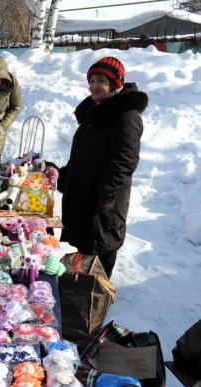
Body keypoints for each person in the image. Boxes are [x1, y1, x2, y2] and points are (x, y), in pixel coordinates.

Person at [58, 57, 148, 278]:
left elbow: (124, 162)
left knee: (101, 247)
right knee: (86, 248)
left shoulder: (126, 116)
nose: (95, 86)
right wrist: (61, 175)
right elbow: (82, 156)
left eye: (101, 81)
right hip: (85, 195)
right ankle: (83, 295)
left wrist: (101, 193)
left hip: (104, 202)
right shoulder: (95, 110)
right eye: (92, 80)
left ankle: (97, 300)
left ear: (115, 83)